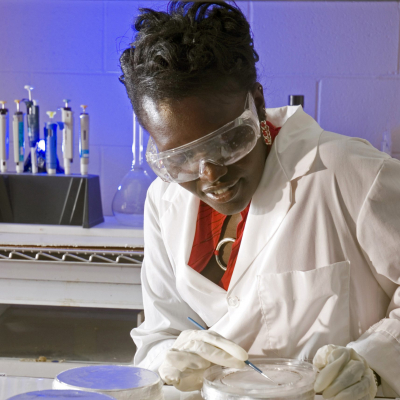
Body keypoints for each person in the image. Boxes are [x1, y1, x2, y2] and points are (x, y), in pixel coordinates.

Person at [118, 1, 400, 398]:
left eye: (226, 141)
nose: (210, 175)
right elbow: (160, 332)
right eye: (181, 158)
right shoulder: (164, 200)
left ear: (257, 101)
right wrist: (169, 358)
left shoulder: (350, 172)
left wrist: (374, 363)